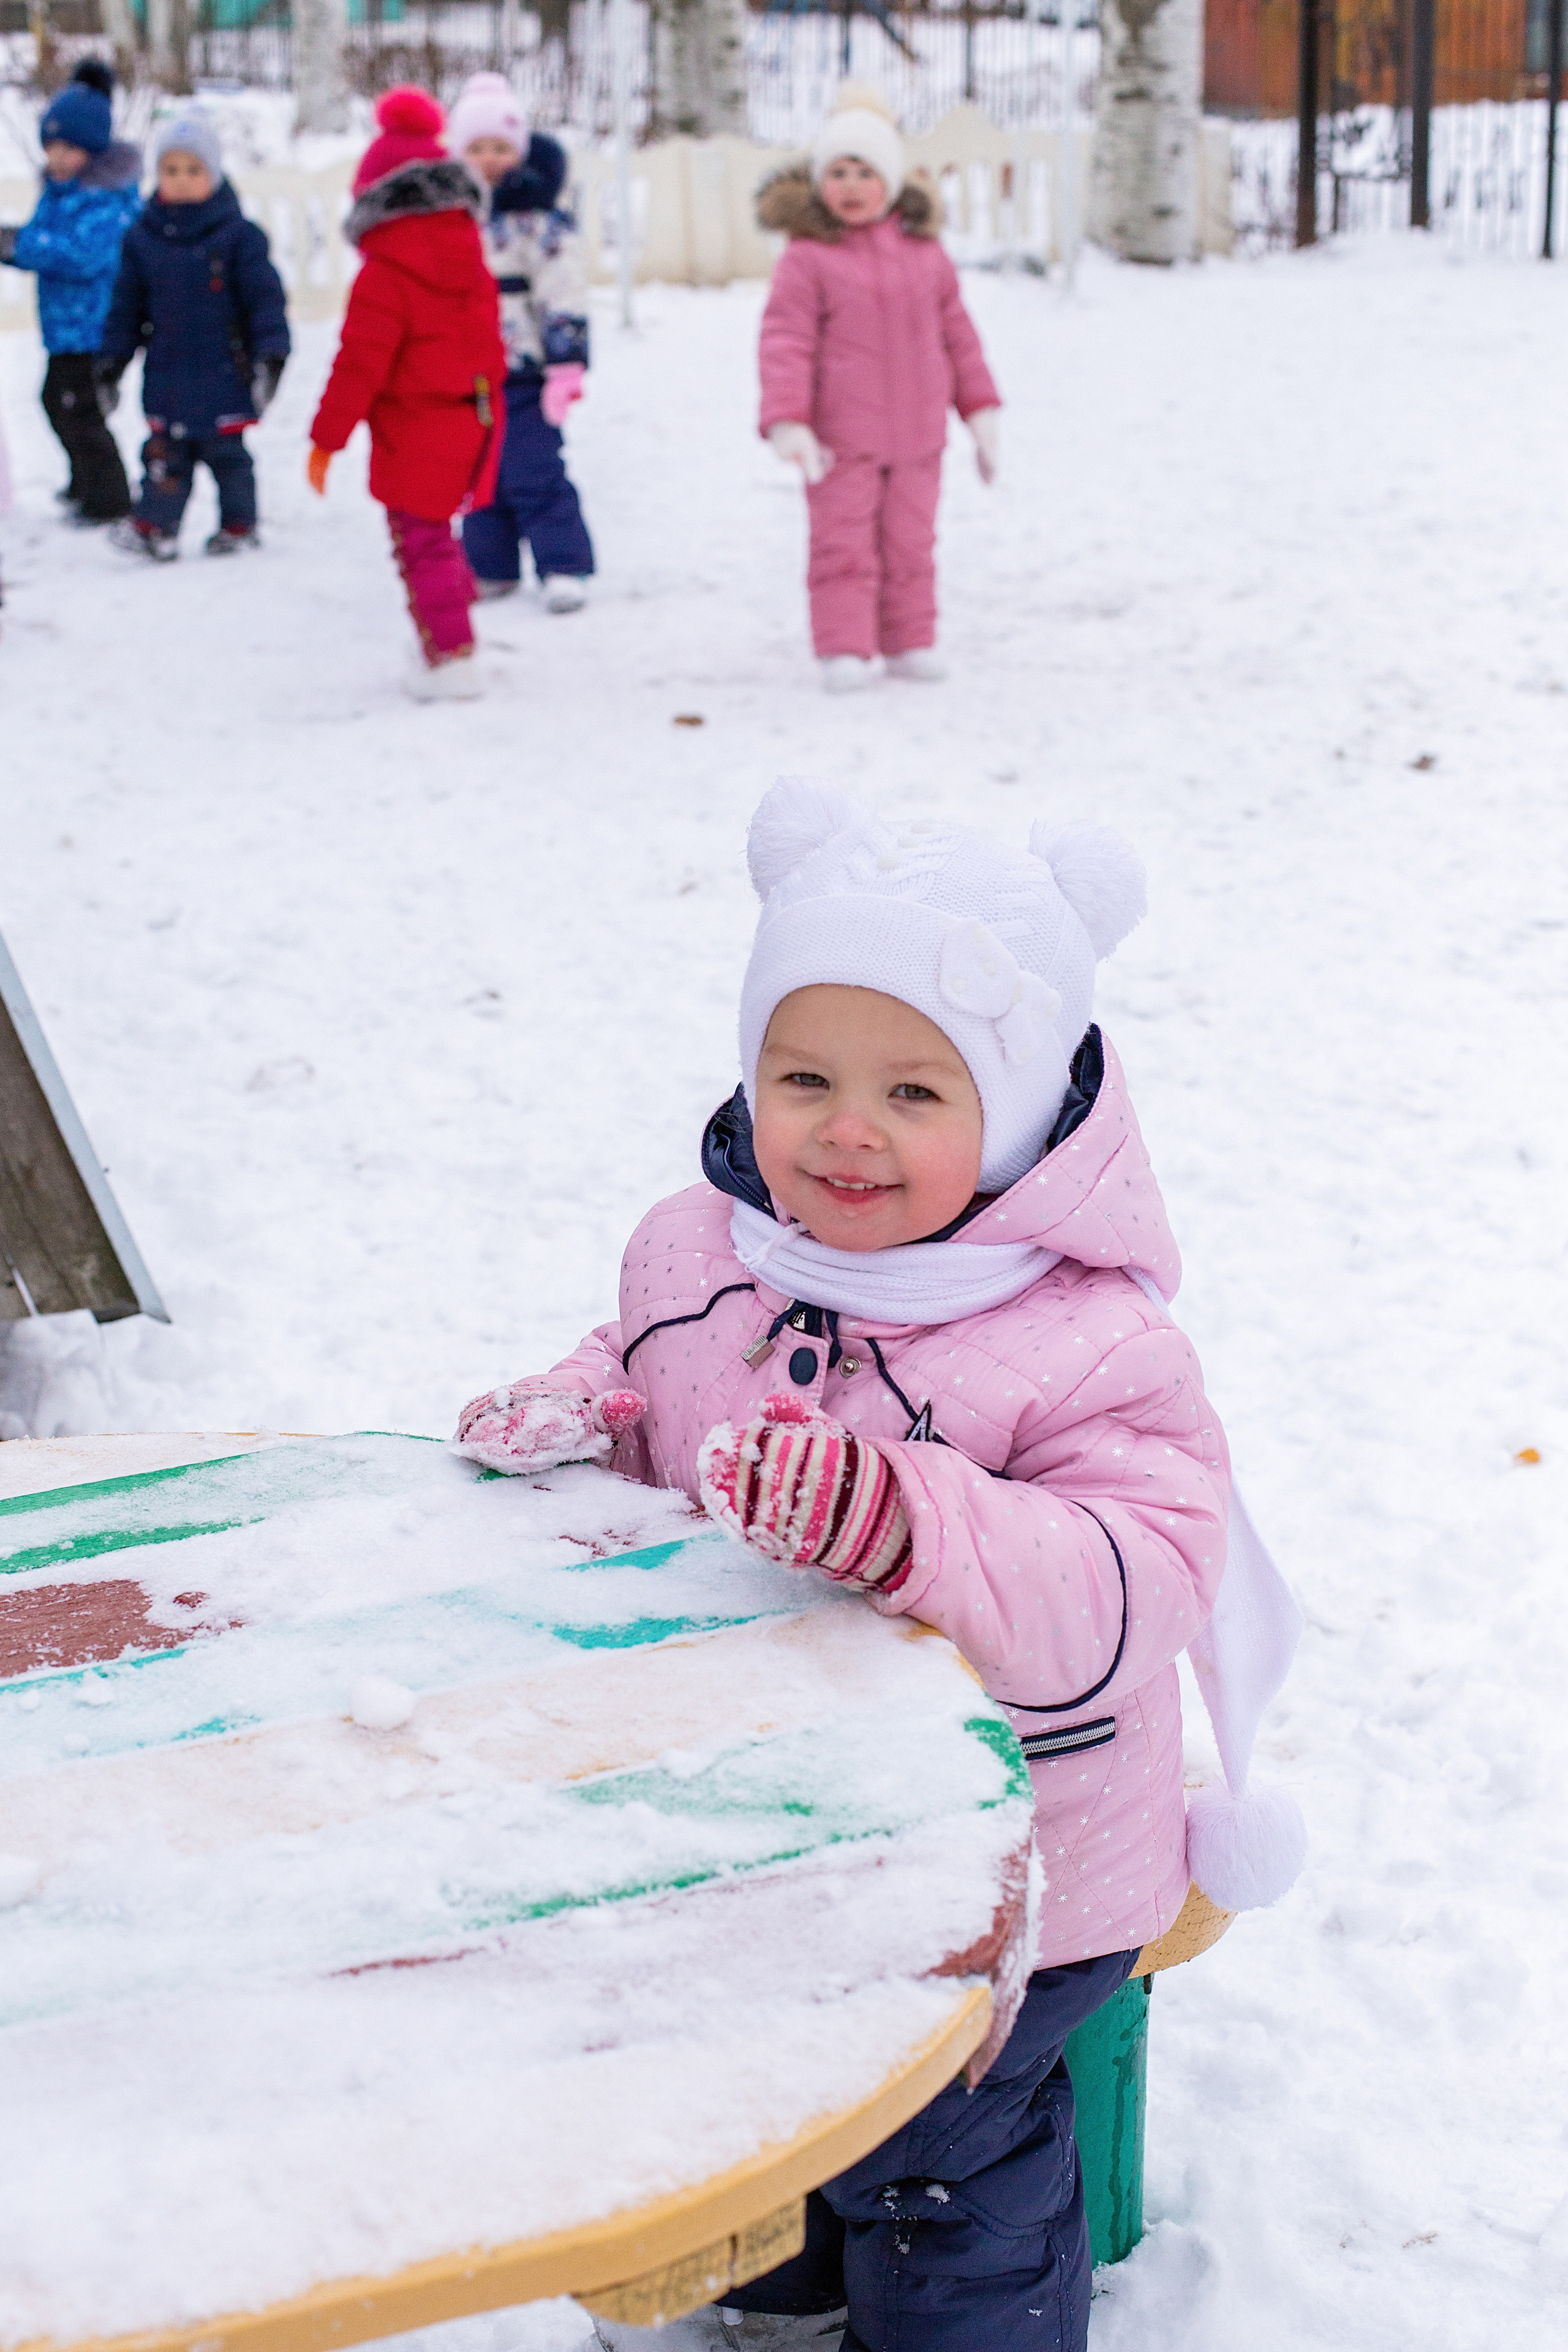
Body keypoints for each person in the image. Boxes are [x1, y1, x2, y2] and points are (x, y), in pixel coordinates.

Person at [452, 780, 1233, 2352]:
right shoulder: (698, 1249)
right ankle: (784, 2287)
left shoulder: (1083, 1338)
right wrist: (583, 1413)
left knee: (934, 2148)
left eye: (915, 1092)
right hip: (780, 1816)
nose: (843, 1128)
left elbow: (1139, 1568)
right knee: (765, 2083)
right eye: (801, 1073)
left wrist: (910, 1524)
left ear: (1017, 1113)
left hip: (1021, 1869)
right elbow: (647, 1368)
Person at [756, 89, 1000, 695]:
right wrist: (789, 419)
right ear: (820, 185)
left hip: (919, 437)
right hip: (842, 439)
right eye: (837, 172)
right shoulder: (807, 259)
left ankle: (909, 639)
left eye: (865, 172)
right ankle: (844, 647)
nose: (851, 185)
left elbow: (958, 338)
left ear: (889, 182)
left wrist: (981, 411)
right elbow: (786, 342)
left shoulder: (926, 254)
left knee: (911, 544)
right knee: (843, 545)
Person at [308, 86, 507, 703]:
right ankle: (454, 622)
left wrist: (325, 440)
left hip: (416, 428)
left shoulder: (385, 270)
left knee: (419, 541)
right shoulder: (468, 249)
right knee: (438, 534)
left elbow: (359, 364)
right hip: (473, 414)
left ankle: (451, 658)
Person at [99, 111, 290, 562]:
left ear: (214, 175)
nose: (181, 181)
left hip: (225, 372)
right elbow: (126, 308)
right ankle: (155, 526)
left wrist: (272, 356)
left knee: (228, 459)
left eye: (193, 170)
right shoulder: (143, 239)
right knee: (165, 456)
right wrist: (111, 362)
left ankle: (239, 524)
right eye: (170, 170)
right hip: (167, 373)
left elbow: (265, 302)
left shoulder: (240, 238)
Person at [445, 72, 595, 613]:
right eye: (477, 148)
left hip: (527, 367)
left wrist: (567, 364)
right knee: (478, 472)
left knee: (532, 468)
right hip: (465, 375)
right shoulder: (451, 218)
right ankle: (489, 566)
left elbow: (564, 292)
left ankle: (564, 564)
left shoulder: (539, 221)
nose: (489, 159)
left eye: (501, 148)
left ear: (521, 150)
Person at [0, 63, 141, 525]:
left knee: (81, 411)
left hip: (96, 326)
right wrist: (18, 244)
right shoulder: (60, 190)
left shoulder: (108, 198)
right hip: (65, 326)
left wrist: (18, 245)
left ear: (94, 147)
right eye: (51, 147)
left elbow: (83, 254)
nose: (57, 157)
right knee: (56, 402)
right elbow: (44, 238)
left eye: (69, 148)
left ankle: (111, 496)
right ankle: (85, 481)